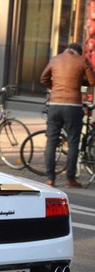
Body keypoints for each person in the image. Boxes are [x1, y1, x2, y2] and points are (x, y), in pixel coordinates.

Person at [40, 43, 95, 188]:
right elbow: (92, 81)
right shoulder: (81, 60)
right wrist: (78, 83)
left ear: (66, 50)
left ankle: (50, 179)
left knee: (51, 142)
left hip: (54, 105)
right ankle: (70, 179)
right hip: (73, 106)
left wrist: (56, 89)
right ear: (77, 52)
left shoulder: (55, 59)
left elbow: (43, 79)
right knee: (73, 143)